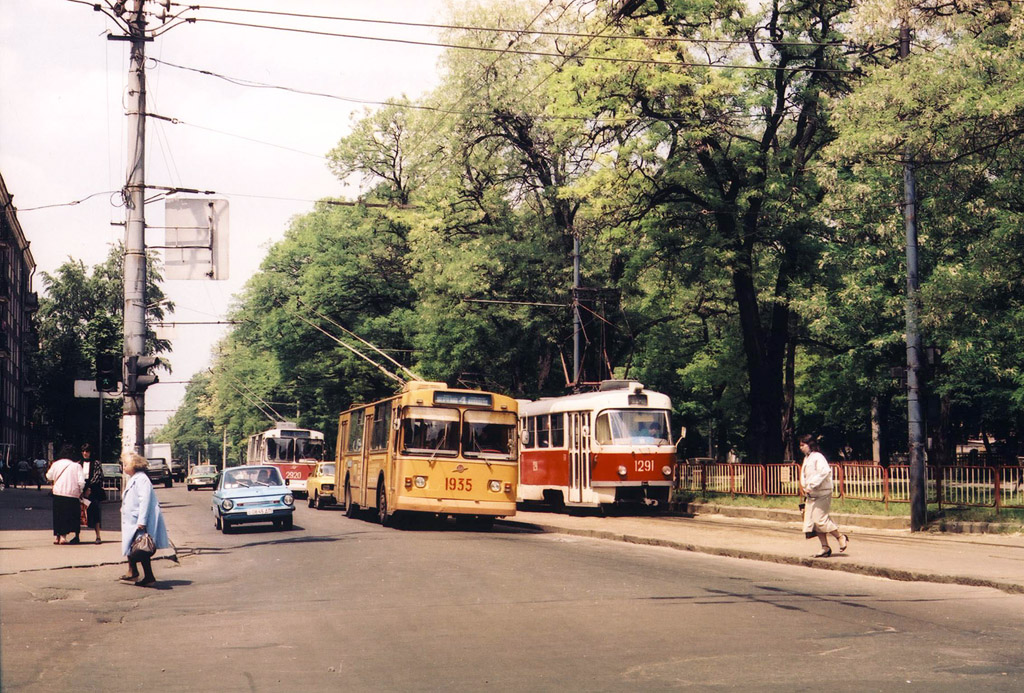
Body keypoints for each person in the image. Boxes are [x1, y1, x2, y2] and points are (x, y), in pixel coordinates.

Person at [120, 451, 171, 587]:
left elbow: (145, 500)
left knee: (141, 548)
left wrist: (142, 521)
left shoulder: (142, 479)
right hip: (132, 520)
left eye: (126, 464)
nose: (123, 467)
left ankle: (147, 576)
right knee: (134, 546)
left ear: (134, 465)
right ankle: (135, 572)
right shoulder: (134, 478)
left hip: (138, 522)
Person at [799, 434, 849, 558]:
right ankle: (825, 547)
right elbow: (803, 475)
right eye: (800, 445)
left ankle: (840, 536)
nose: (801, 448)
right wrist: (805, 486)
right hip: (811, 494)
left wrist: (811, 484)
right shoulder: (807, 458)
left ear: (809, 445)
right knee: (814, 523)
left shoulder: (818, 457)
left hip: (822, 492)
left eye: (803, 445)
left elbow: (824, 472)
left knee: (820, 520)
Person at [46, 444, 85, 545]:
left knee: (58, 515)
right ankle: (64, 537)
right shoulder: (76, 466)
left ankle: (57, 537)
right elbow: (81, 482)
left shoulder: (56, 464)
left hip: (58, 493)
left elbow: (49, 476)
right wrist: (81, 492)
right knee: (69, 516)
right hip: (72, 494)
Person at [80, 443, 105, 544]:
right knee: (80, 513)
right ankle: (77, 536)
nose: (85, 453)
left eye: (87, 451)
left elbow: (98, 476)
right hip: (81, 490)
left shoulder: (96, 463)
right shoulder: (78, 463)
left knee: (95, 513)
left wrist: (89, 487)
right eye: (84, 451)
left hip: (93, 490)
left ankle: (98, 536)